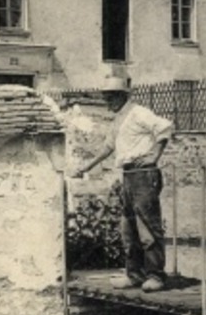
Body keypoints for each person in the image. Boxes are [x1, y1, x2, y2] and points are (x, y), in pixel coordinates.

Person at [74, 77, 173, 292]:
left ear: (121, 96)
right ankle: (135, 274)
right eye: (105, 97)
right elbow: (108, 147)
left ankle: (156, 275)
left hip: (144, 174)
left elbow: (164, 128)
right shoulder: (119, 119)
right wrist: (86, 167)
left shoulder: (139, 113)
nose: (107, 102)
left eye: (109, 97)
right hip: (128, 174)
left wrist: (154, 155)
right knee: (128, 227)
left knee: (148, 226)